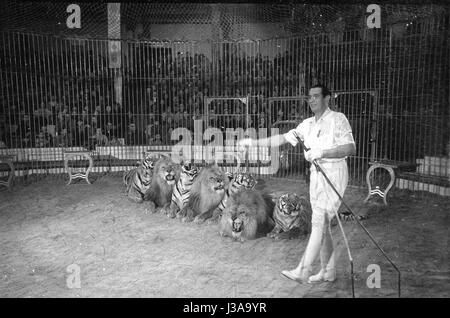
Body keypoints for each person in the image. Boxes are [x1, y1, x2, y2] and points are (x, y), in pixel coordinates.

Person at [237, 84, 356, 283]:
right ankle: (328, 271)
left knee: (319, 222)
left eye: (317, 96)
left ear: (327, 99)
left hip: (334, 173)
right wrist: (253, 143)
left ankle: (303, 269)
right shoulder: (306, 124)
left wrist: (323, 152)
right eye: (309, 97)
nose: (312, 100)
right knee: (323, 226)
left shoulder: (338, 119)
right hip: (316, 175)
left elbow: (350, 148)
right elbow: (281, 139)